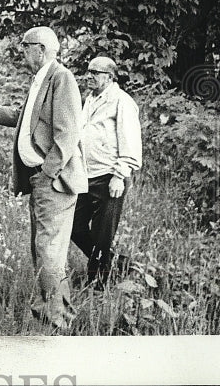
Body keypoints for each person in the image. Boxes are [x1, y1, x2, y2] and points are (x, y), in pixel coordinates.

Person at [0, 26, 87, 329]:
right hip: (39, 180)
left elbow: (68, 133)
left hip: (53, 181)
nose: (21, 51)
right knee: (42, 248)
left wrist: (48, 172)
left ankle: (59, 319)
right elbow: (23, 118)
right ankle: (53, 312)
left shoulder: (62, 78)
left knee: (48, 248)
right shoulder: (39, 80)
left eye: (25, 45)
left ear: (42, 49)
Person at [71, 55, 142, 288]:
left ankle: (97, 286)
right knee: (74, 226)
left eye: (95, 73)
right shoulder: (89, 100)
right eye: (88, 72)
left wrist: (120, 175)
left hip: (109, 177)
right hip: (85, 175)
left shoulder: (122, 101)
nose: (89, 77)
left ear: (109, 77)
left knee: (103, 235)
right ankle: (116, 264)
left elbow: (130, 140)